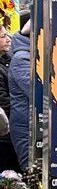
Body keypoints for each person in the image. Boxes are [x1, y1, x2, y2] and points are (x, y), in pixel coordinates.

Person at [8, 12, 30, 170]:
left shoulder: (29, 54)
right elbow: (37, 92)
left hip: (30, 124)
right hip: (26, 128)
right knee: (32, 173)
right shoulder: (22, 58)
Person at [0, 28, 18, 171]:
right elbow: (3, 101)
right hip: (5, 134)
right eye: (3, 36)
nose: (8, 39)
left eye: (7, 35)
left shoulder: (9, 59)